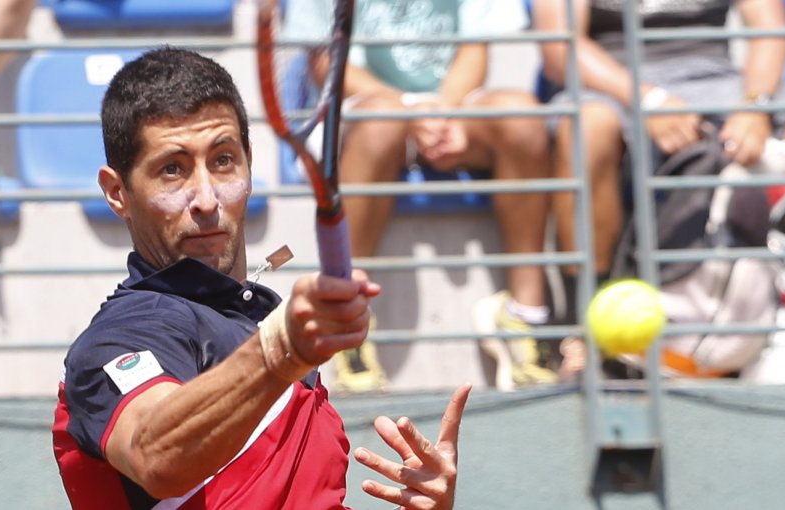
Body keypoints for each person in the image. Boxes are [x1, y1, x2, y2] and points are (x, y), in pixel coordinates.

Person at [52, 47, 472, 509]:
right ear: (118, 192)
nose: (207, 199)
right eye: (172, 169)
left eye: (223, 160)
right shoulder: (121, 336)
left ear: (249, 163)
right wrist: (281, 349)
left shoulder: (264, 323)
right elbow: (155, 455)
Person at [284, 0, 574, 392]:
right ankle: (345, 319)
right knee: (382, 121)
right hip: (367, 114)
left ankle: (526, 315)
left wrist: (440, 112)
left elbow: (474, 51)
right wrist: (408, 109)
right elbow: (325, 67)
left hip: (450, 107)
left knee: (523, 119)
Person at [534, 0, 785, 313]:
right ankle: (589, 321)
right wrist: (650, 99)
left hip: (720, 80)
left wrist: (755, 106)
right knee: (586, 129)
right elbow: (561, 50)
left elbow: (769, 30)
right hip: (611, 85)